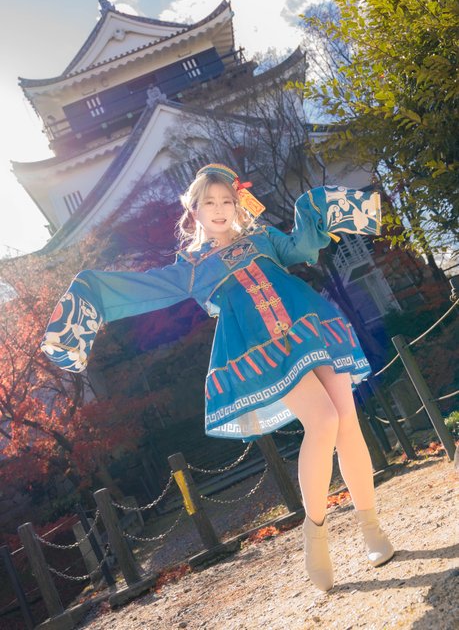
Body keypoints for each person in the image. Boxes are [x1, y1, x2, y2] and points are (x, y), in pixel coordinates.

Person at [41, 163, 394, 591]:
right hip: (265, 350)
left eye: (227, 200)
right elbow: (141, 288)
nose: (220, 209)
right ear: (195, 211)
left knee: (347, 422)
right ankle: (315, 535)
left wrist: (310, 209)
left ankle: (371, 527)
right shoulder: (191, 267)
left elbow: (302, 248)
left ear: (238, 203)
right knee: (323, 421)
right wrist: (92, 291)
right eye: (210, 202)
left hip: (311, 323)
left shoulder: (262, 238)